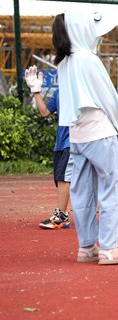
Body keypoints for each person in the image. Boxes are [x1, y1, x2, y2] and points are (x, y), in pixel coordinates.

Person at [54, 10, 118, 264]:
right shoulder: (88, 59)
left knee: (82, 192)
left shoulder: (64, 62)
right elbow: (108, 98)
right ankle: (110, 249)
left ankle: (87, 246)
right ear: (81, 29)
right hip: (100, 133)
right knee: (111, 188)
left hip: (77, 136)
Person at [24, 68, 72, 230]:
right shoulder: (60, 92)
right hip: (61, 142)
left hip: (74, 141)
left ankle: (61, 216)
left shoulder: (79, 90)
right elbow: (44, 112)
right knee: (61, 178)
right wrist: (36, 91)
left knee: (64, 177)